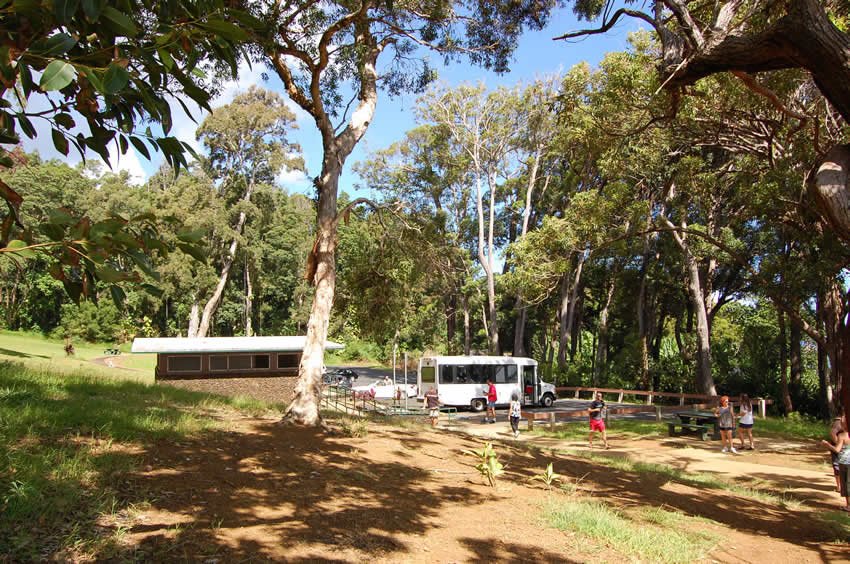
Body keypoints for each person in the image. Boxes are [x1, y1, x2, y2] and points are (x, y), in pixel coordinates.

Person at [821, 417, 850, 512]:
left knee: (845, 484)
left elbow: (837, 450)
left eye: (842, 423)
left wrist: (827, 445)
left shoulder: (842, 435)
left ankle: (848, 505)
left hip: (844, 462)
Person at [827, 417, 847, 493]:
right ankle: (839, 486)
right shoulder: (839, 422)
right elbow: (832, 433)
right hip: (839, 448)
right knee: (837, 467)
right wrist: (839, 444)